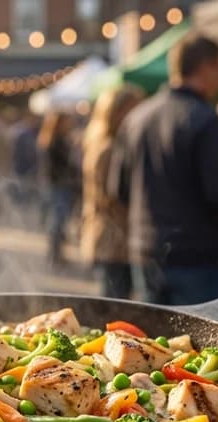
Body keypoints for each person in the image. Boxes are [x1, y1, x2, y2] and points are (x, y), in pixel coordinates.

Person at [109, 33, 218, 305]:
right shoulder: (206, 119)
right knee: (195, 344)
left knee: (149, 341)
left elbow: (118, 189)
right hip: (193, 258)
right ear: (207, 67)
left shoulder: (137, 117)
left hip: (144, 250)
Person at [79, 86, 145, 299]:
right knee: (113, 303)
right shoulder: (109, 148)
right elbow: (111, 196)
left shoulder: (99, 143)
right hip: (112, 239)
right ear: (115, 113)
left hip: (106, 235)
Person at [38, 112, 80, 266]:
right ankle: (55, 254)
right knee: (57, 221)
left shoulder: (55, 140)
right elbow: (58, 167)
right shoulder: (54, 142)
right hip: (58, 186)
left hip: (57, 185)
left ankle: (56, 253)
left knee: (58, 220)